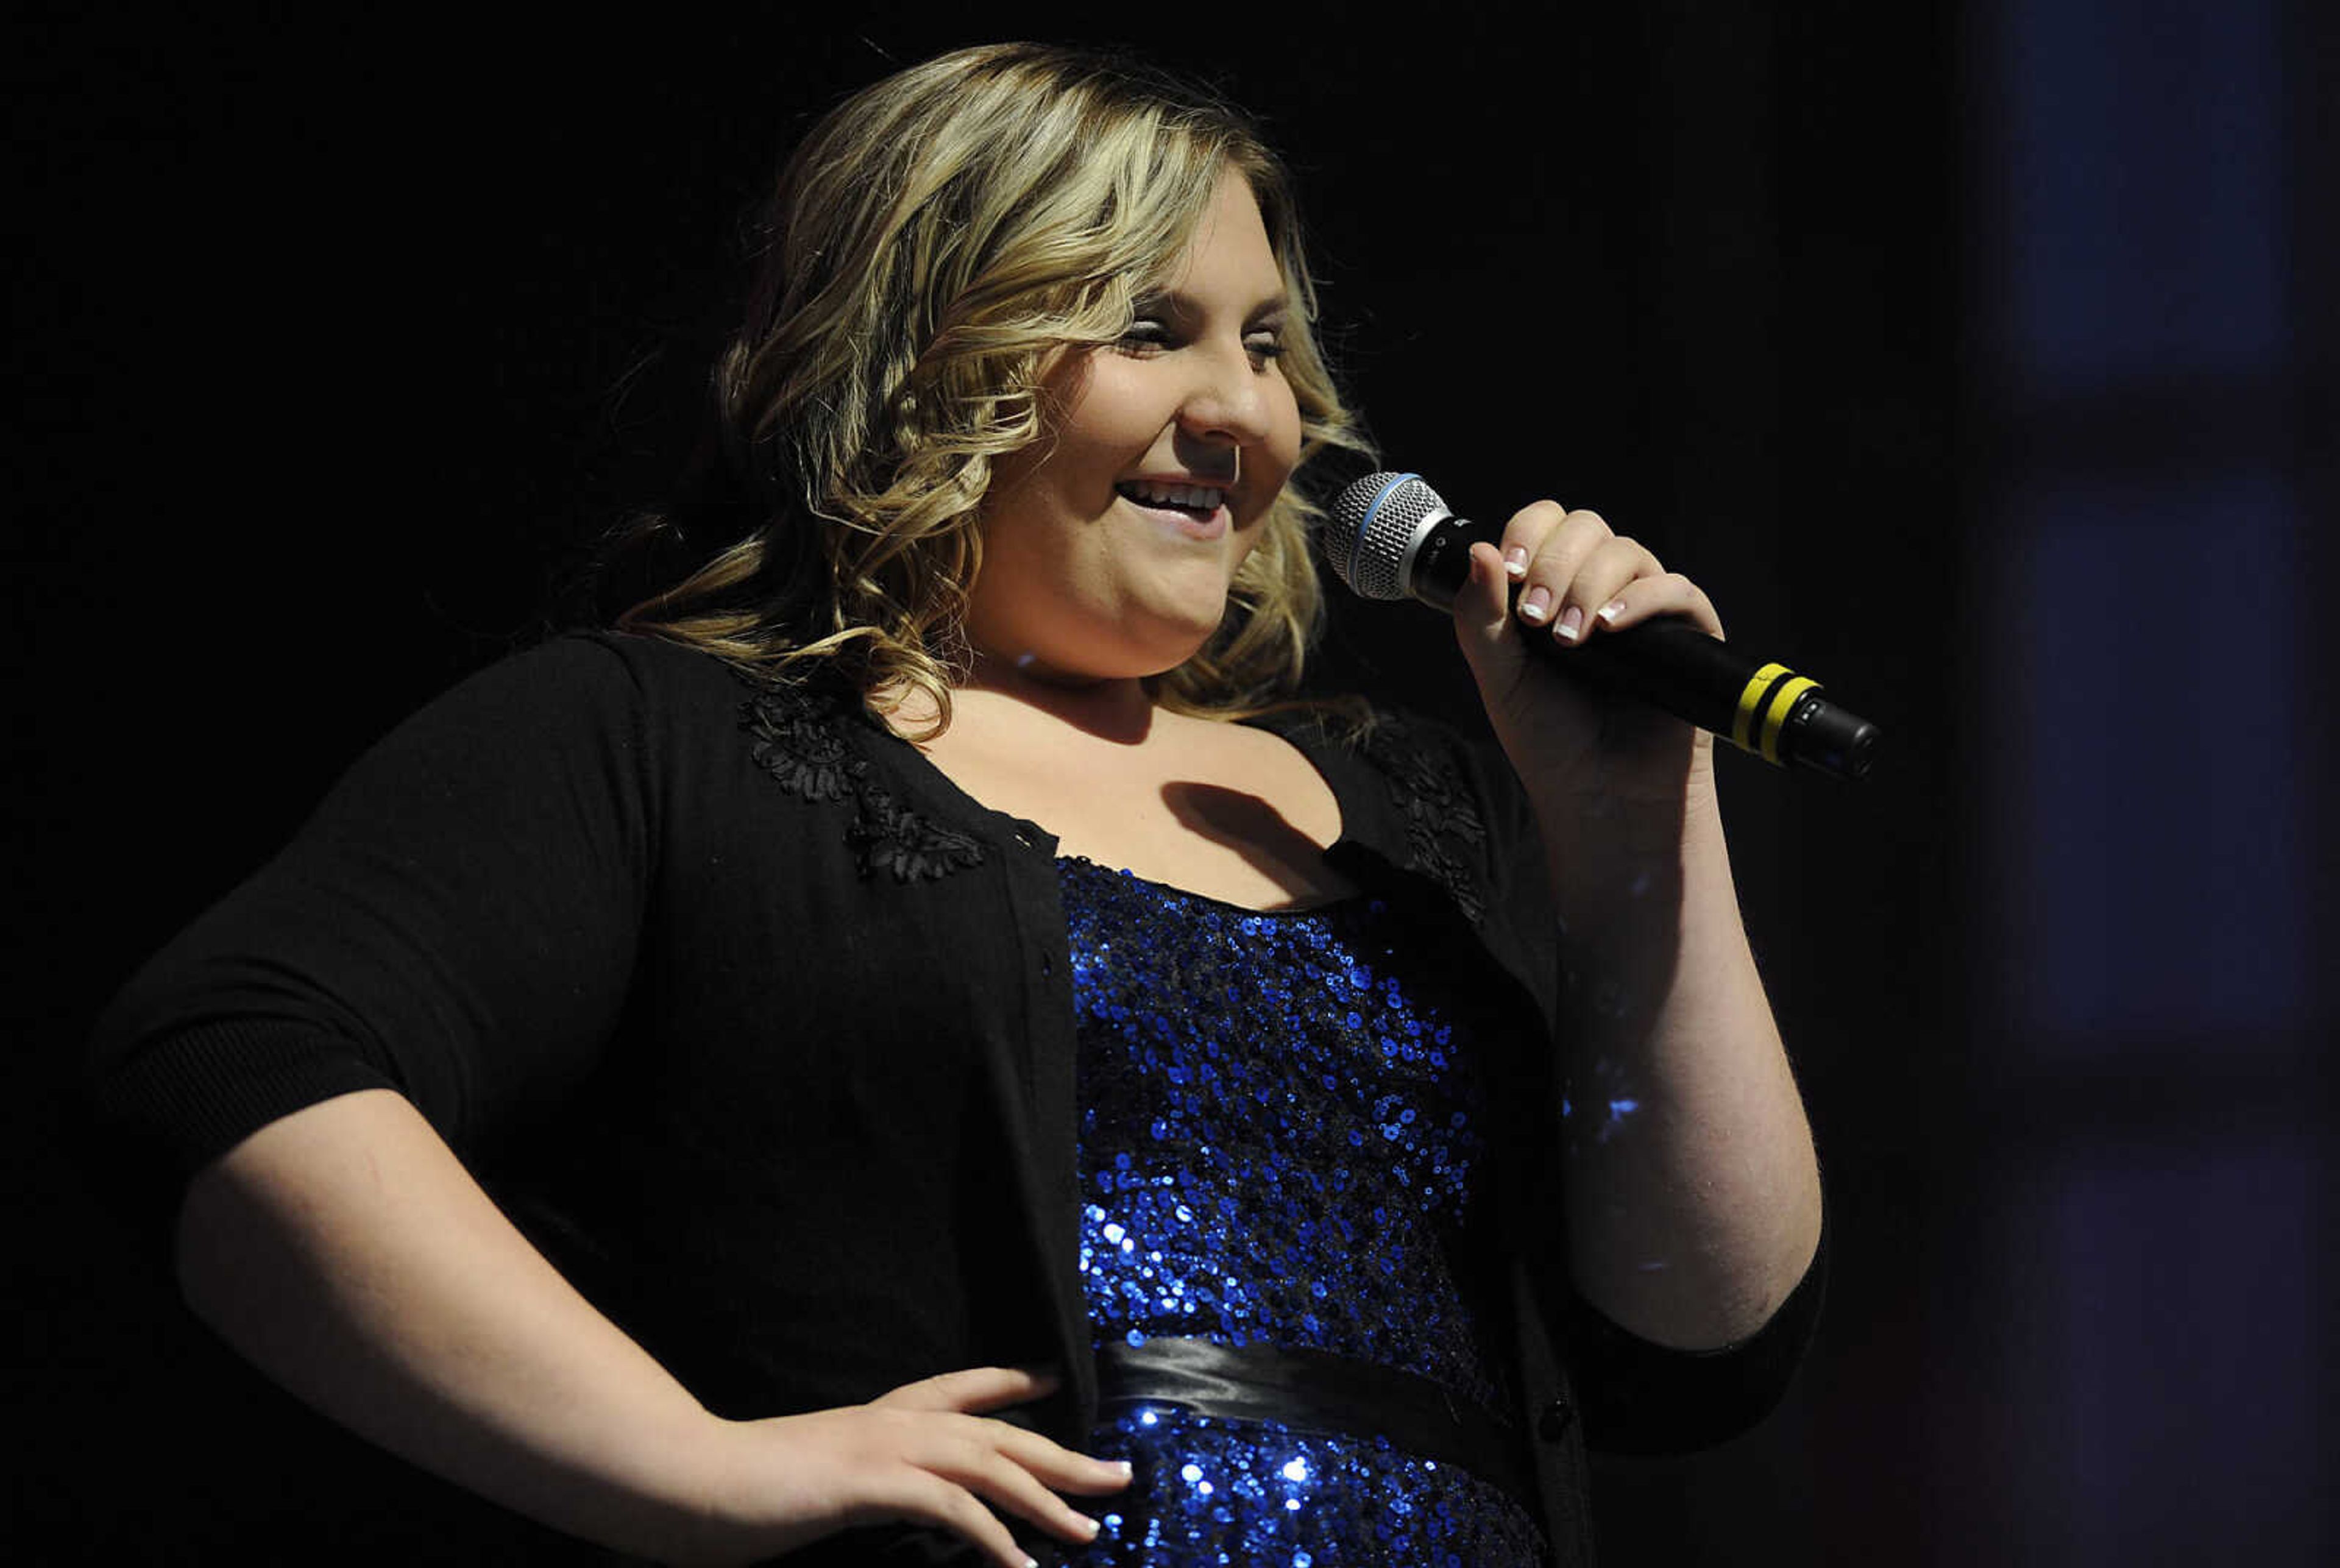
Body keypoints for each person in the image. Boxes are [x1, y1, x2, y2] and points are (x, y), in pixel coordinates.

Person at [83, 42, 1824, 1567]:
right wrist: (681, 1467)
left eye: (1273, 344)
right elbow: (239, 1064)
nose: (1249, 412)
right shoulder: (672, 738)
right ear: (930, 359)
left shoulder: (1414, 815)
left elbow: (1696, 1340)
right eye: (1155, 330)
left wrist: (1634, 817)